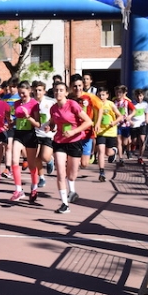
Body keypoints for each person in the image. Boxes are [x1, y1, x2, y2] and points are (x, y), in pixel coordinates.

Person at [49, 81, 93, 213]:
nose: (58, 93)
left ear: (66, 93)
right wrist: (49, 127)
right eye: (56, 90)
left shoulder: (72, 105)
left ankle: (72, 190)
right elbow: (52, 123)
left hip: (74, 141)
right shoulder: (53, 108)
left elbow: (88, 122)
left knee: (71, 175)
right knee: (61, 173)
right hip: (59, 142)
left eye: (61, 90)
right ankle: (64, 204)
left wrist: (73, 132)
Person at [10, 81, 41, 203]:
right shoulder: (17, 103)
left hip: (30, 135)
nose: (21, 96)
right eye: (19, 93)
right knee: (14, 160)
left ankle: (34, 186)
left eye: (23, 93)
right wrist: (11, 123)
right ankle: (18, 190)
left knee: (32, 165)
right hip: (18, 134)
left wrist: (28, 116)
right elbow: (16, 118)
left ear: (29, 91)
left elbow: (38, 124)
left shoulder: (34, 104)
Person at [69, 74, 102, 169]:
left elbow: (100, 108)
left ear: (83, 85)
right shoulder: (69, 98)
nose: (77, 88)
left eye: (79, 85)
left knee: (84, 164)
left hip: (87, 132)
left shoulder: (90, 97)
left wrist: (98, 123)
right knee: (73, 160)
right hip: (74, 131)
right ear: (71, 86)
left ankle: (87, 157)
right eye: (75, 86)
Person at [94, 86, 121, 182]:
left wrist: (114, 122)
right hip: (100, 131)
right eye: (99, 94)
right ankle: (101, 172)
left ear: (107, 95)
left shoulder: (111, 104)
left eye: (103, 95)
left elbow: (120, 116)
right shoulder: (95, 104)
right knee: (101, 151)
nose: (101, 96)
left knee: (108, 153)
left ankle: (114, 151)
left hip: (110, 131)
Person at [32, 80, 56, 188]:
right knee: (35, 156)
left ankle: (50, 160)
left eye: (40, 90)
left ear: (44, 91)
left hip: (47, 134)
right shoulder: (31, 102)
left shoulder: (50, 102)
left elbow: (55, 115)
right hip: (35, 133)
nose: (38, 92)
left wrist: (51, 125)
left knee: (44, 157)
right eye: (36, 90)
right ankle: (41, 177)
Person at [0, 78, 20, 179]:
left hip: (20, 125)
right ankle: (8, 168)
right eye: (10, 87)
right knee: (8, 146)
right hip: (9, 125)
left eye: (14, 87)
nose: (12, 89)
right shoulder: (5, 98)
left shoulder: (21, 97)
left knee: (20, 148)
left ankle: (25, 160)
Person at [113, 85, 136, 164]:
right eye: (116, 92)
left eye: (120, 92)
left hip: (125, 125)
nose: (118, 94)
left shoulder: (127, 102)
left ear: (123, 93)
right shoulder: (113, 102)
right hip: (117, 124)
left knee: (125, 143)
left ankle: (122, 151)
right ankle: (121, 158)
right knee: (118, 141)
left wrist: (130, 116)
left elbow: (134, 110)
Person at [131, 88, 148, 164]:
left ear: (143, 96)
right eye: (137, 96)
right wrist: (130, 120)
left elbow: (147, 113)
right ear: (135, 96)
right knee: (134, 141)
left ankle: (140, 157)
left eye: (141, 96)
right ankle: (133, 145)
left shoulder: (145, 104)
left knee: (142, 141)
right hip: (134, 124)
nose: (139, 98)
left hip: (142, 124)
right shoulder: (132, 103)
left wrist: (147, 119)